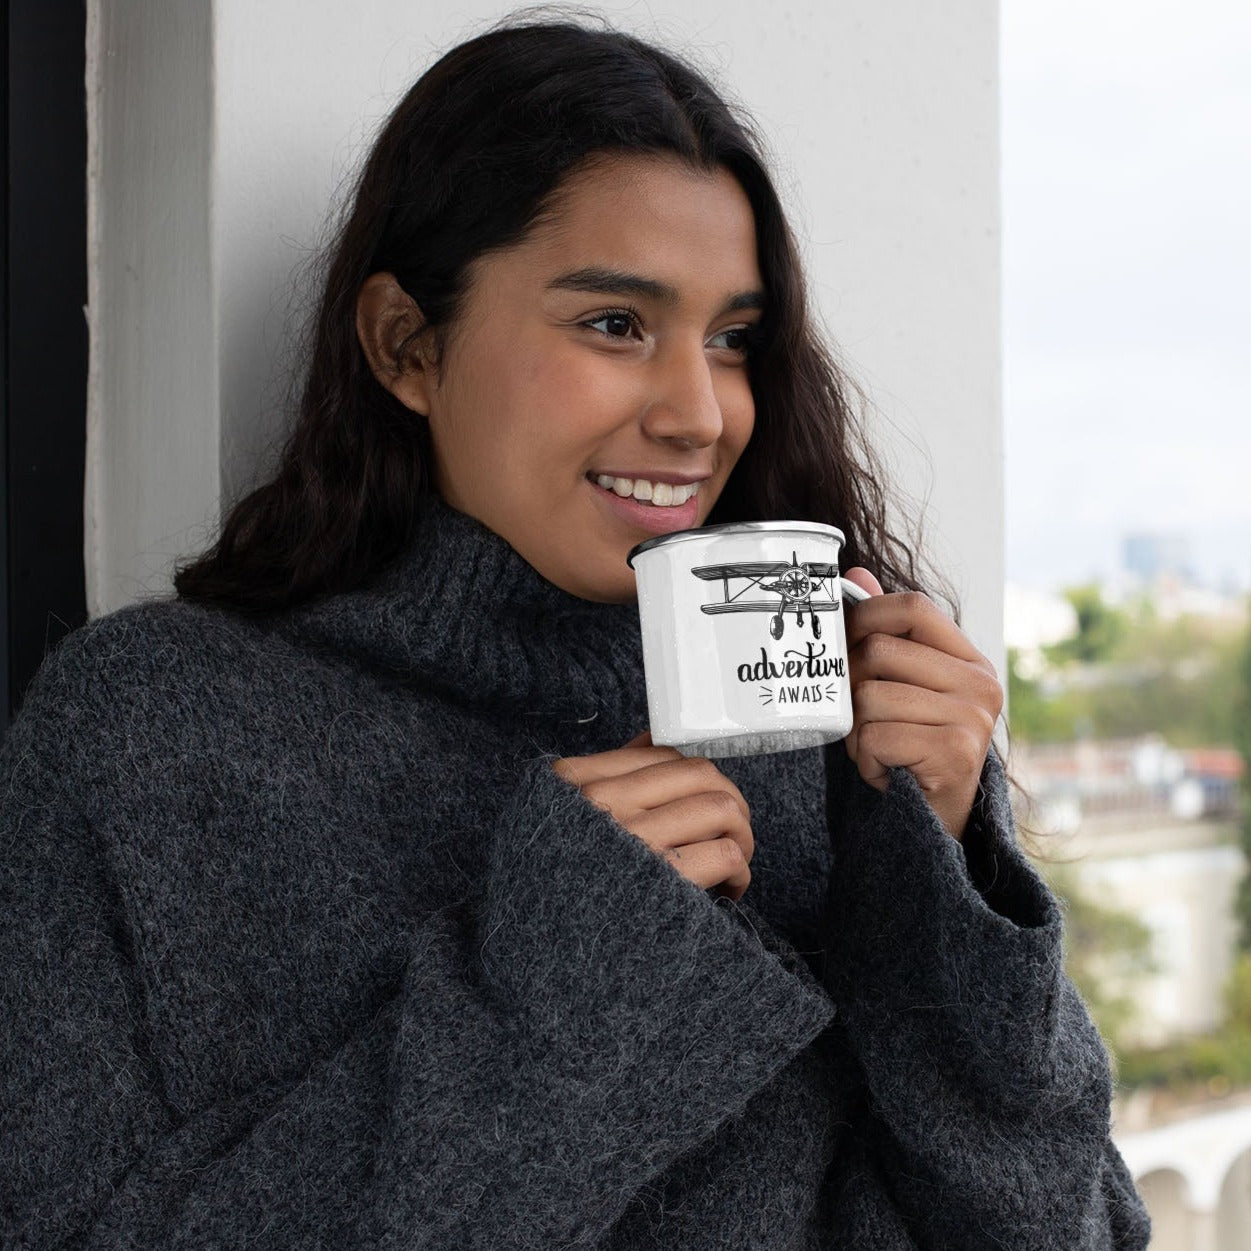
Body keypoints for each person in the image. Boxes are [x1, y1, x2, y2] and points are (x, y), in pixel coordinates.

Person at [0, 17, 1149, 1249]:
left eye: (734, 339)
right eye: (614, 324)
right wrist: (558, 983)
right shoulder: (148, 731)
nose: (701, 415)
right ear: (404, 344)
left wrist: (945, 868)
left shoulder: (819, 735)